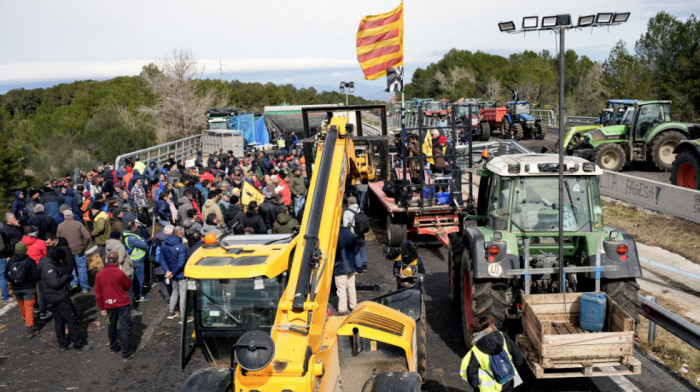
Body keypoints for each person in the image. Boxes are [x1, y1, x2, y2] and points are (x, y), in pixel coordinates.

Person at [40, 248, 91, 352]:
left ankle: (63, 343)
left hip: (54, 297)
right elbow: (55, 283)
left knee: (59, 320)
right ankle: (79, 344)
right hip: (59, 297)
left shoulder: (47, 264)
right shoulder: (49, 267)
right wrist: (67, 278)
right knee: (71, 320)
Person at [460, 315, 524, 392]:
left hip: (488, 389)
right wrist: (509, 368)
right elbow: (519, 358)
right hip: (507, 383)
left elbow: (472, 371)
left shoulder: (476, 349)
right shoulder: (503, 336)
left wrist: (475, 386)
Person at [95, 251, 134, 360]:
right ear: (117, 262)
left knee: (111, 326)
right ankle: (126, 353)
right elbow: (128, 285)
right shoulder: (119, 273)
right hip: (122, 304)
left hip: (108, 304)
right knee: (125, 328)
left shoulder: (99, 275)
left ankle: (113, 346)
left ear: (106, 260)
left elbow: (98, 293)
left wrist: (101, 307)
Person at [5, 242, 40, 338]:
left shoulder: (11, 261)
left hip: (16, 289)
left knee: (23, 308)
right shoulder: (29, 261)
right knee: (29, 308)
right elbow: (36, 275)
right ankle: (29, 329)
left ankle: (27, 322)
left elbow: (6, 275)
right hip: (28, 288)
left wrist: (13, 281)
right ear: (25, 250)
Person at [57, 209, 92, 293]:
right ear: (72, 215)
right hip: (79, 249)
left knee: (70, 267)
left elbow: (58, 239)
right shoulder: (78, 224)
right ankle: (85, 287)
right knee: (82, 268)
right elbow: (87, 236)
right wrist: (84, 245)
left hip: (67, 251)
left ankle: (73, 284)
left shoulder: (60, 226)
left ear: (64, 216)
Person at [162, 226, 187, 320]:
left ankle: (171, 311)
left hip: (171, 273)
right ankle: (183, 314)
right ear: (180, 234)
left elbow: (162, 259)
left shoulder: (164, 244)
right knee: (183, 294)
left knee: (174, 291)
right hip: (180, 273)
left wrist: (168, 271)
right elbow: (181, 263)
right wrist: (172, 272)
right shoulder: (181, 246)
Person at [123, 221, 149, 303]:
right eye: (136, 227)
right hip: (137, 259)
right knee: (139, 278)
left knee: (136, 278)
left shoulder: (127, 234)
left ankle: (136, 293)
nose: (137, 227)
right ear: (133, 229)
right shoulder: (132, 238)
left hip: (134, 259)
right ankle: (139, 295)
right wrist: (143, 241)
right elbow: (144, 245)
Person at [333, 226, 357, 316]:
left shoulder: (335, 235)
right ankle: (353, 305)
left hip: (340, 265)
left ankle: (342, 309)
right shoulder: (350, 233)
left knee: (341, 287)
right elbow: (357, 247)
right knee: (351, 285)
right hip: (351, 263)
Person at [1, 213, 24, 302]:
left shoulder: (15, 226)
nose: (16, 219)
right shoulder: (5, 229)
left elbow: (23, 231)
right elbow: (6, 243)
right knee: (15, 271)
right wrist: (12, 252)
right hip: (14, 252)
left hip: (19, 250)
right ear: (9, 220)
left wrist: (18, 225)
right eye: (14, 218)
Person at [342, 196, 368, 273]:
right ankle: (364, 266)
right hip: (361, 233)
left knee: (355, 251)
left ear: (349, 203)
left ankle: (359, 268)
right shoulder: (360, 210)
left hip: (353, 234)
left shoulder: (347, 212)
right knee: (362, 249)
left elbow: (345, 224)